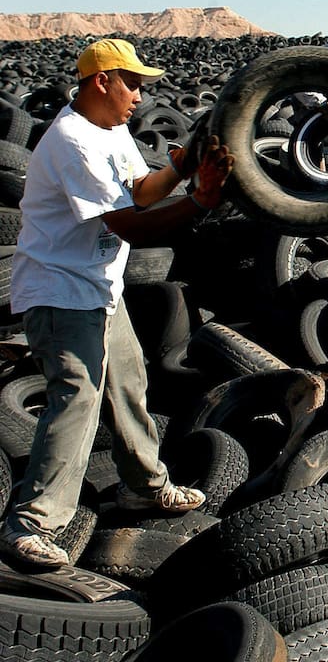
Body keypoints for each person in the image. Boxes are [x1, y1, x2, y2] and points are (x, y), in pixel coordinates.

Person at [0, 38, 235, 568]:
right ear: (101, 81)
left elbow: (141, 192)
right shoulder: (71, 140)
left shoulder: (112, 131)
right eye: (131, 82)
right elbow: (129, 224)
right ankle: (30, 523)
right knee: (78, 396)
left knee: (128, 384)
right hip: (60, 292)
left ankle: (145, 488)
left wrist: (183, 168)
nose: (140, 94)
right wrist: (200, 200)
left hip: (98, 287)